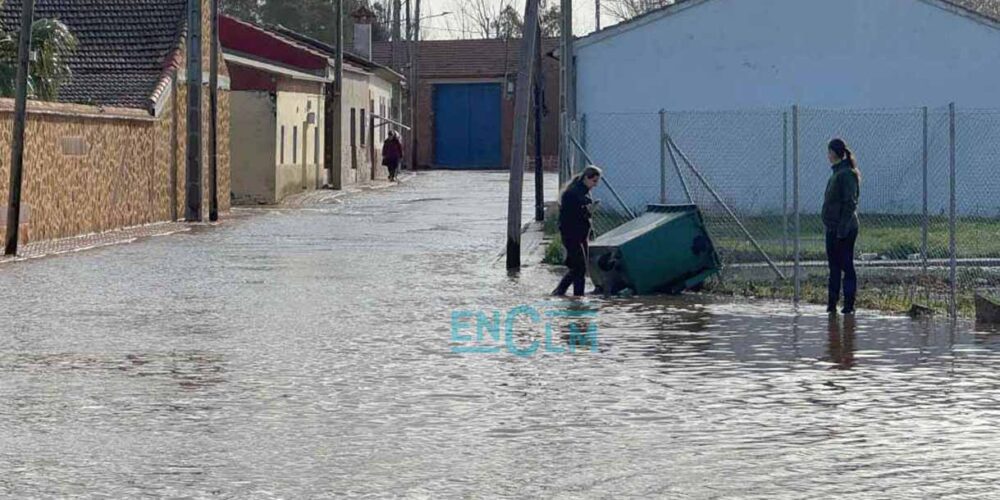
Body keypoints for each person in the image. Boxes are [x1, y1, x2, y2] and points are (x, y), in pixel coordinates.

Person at [823, 138, 861, 314]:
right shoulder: (837, 173)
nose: (827, 155)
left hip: (845, 229)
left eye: (829, 151)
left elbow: (850, 203)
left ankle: (849, 305)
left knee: (846, 264)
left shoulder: (847, 174)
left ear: (834, 153)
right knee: (834, 267)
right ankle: (832, 305)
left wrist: (841, 230)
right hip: (833, 228)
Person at [552, 165, 602, 297]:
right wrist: (586, 211)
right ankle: (577, 297)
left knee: (578, 268)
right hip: (572, 235)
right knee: (579, 268)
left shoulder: (583, 191)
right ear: (586, 178)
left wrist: (587, 213)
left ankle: (561, 292)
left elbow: (581, 214)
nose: (595, 185)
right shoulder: (572, 193)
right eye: (594, 181)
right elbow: (570, 216)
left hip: (581, 235)